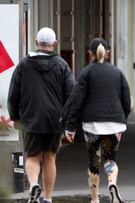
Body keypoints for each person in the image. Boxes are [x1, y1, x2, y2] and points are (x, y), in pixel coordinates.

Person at [7, 27, 75, 203]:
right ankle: (47, 197)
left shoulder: (24, 64)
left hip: (31, 119)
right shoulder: (62, 65)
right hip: (54, 120)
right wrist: (67, 121)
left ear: (36, 43)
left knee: (33, 156)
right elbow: (71, 95)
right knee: (50, 157)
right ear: (54, 44)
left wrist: (15, 117)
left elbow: (14, 93)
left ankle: (33, 185)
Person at [64, 38, 130, 203]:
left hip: (92, 125)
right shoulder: (118, 72)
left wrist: (70, 126)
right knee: (111, 159)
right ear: (108, 52)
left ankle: (94, 199)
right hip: (115, 123)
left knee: (94, 161)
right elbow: (126, 101)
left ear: (90, 53)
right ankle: (112, 183)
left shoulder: (86, 72)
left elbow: (77, 100)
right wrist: (122, 120)